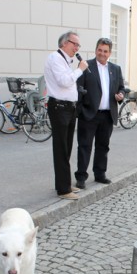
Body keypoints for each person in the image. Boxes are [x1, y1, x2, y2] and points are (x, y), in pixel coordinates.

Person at [74, 38, 125, 189]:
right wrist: (81, 110)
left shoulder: (115, 69)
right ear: (96, 50)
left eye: (105, 51)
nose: (102, 53)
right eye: (100, 50)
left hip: (107, 114)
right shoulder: (86, 66)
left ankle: (100, 174)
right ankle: (81, 177)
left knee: (103, 146)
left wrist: (121, 95)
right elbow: (78, 89)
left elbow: (121, 87)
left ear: (110, 53)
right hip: (89, 114)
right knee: (84, 146)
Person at [44, 31, 89, 200]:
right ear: (64, 43)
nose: (76, 48)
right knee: (61, 149)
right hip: (60, 108)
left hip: (68, 108)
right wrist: (80, 70)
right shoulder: (55, 58)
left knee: (67, 147)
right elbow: (64, 81)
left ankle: (64, 183)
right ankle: (63, 190)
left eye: (78, 45)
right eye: (74, 44)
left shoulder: (65, 60)